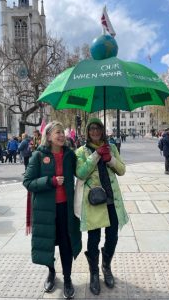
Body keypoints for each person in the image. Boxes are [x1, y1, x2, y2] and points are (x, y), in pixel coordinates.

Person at [23, 121, 82, 299]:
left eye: (62, 132)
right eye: (57, 132)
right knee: (48, 242)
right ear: (48, 136)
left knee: (66, 243)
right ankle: (51, 273)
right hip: (46, 210)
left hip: (66, 208)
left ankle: (68, 278)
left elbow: (82, 172)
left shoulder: (70, 155)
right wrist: (51, 181)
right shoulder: (38, 156)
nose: (62, 135)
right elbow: (28, 182)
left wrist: (96, 155)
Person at [75, 118, 129, 295]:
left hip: (112, 200)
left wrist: (110, 158)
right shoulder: (81, 151)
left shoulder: (111, 147)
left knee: (112, 237)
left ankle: (106, 266)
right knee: (93, 239)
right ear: (87, 131)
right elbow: (81, 173)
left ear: (103, 130)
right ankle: (94, 273)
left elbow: (121, 170)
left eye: (98, 128)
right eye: (92, 129)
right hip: (94, 202)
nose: (95, 132)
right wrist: (96, 154)